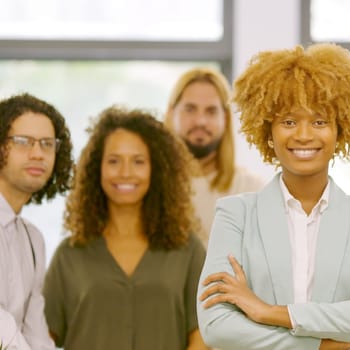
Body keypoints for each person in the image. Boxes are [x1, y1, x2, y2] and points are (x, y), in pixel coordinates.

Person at [196, 43, 350, 349]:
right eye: (288, 121)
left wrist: (270, 313)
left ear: (340, 131)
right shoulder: (235, 215)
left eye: (320, 121)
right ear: (269, 132)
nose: (304, 135)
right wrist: (330, 344)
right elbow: (217, 326)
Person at [43, 107, 207, 350]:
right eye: (114, 161)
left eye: (138, 161)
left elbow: (201, 334)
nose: (125, 172)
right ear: (97, 168)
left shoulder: (188, 249)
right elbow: (42, 336)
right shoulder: (69, 254)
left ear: (157, 169)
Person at [0, 93, 72, 350]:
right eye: (23, 142)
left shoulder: (33, 239)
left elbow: (36, 332)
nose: (38, 153)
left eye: (47, 144)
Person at [165, 67, 265, 246]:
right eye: (190, 109)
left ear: (225, 119)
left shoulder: (251, 191)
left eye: (211, 111)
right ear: (171, 113)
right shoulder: (151, 186)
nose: (200, 121)